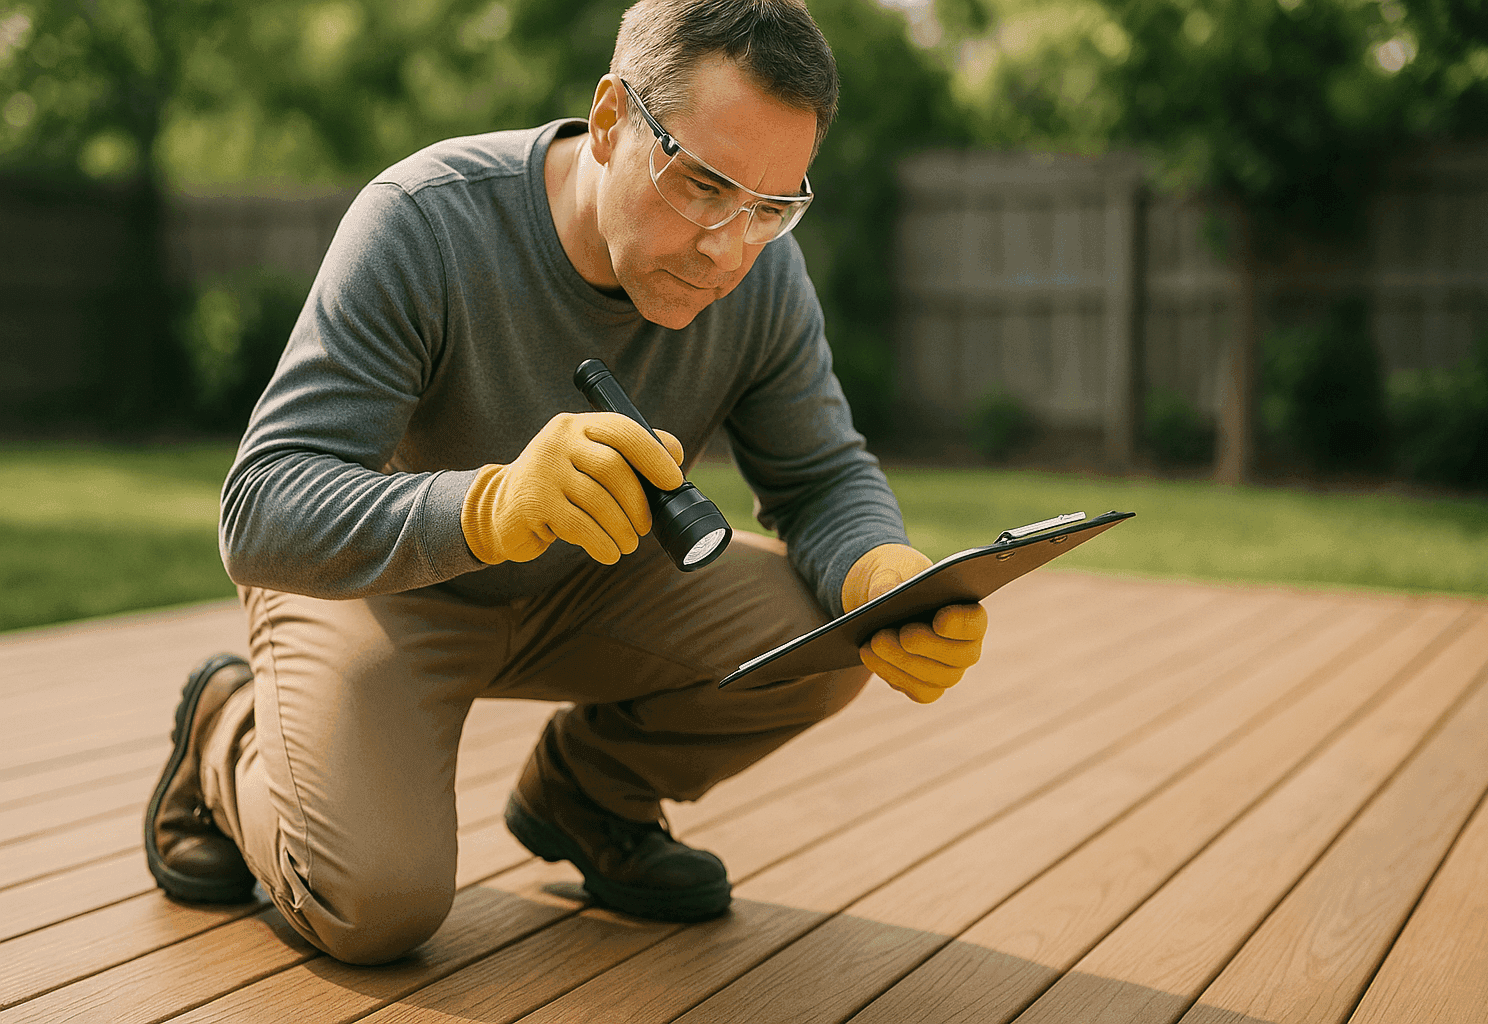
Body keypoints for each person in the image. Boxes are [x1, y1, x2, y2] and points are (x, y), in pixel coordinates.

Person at [144, 0, 988, 966]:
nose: (730, 247)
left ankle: (589, 800)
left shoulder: (763, 274)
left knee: (839, 637)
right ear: (610, 121)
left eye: (772, 206)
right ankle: (227, 728)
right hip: (382, 592)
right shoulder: (425, 222)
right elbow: (260, 506)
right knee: (374, 907)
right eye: (703, 185)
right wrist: (489, 508)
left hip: (589, 580)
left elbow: (823, 476)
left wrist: (882, 578)